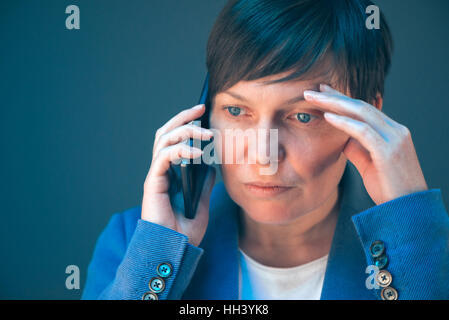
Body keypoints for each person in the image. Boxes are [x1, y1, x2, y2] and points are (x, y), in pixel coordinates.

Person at [82, 0, 449, 300]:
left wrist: (411, 226)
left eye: (304, 116)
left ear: (369, 117)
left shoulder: (427, 253)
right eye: (237, 111)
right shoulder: (137, 242)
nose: (263, 155)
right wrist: (161, 251)